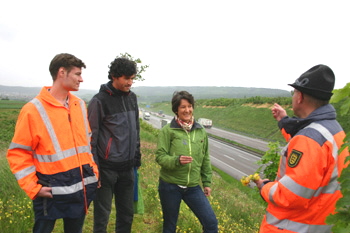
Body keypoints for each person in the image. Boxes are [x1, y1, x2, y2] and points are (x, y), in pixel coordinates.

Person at [6, 53, 99, 233]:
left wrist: (93, 171)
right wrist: (33, 188)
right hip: (49, 191)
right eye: (77, 74)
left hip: (79, 189)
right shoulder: (33, 110)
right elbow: (18, 153)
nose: (82, 79)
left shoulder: (79, 105)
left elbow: (86, 143)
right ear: (61, 72)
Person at [254, 64, 349, 233]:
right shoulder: (334, 130)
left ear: (300, 97)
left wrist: (264, 186)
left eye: (294, 93)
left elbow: (289, 196)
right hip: (321, 222)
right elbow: (310, 152)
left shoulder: (309, 140)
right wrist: (284, 121)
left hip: (293, 227)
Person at [88, 57, 141, 233]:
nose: (130, 83)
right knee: (102, 217)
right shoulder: (99, 100)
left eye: (132, 78)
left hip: (127, 169)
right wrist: (94, 168)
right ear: (114, 76)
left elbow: (136, 130)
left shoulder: (132, 98)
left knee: (126, 215)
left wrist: (136, 157)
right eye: (127, 78)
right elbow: (91, 138)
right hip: (106, 169)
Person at [155, 91, 218, 233]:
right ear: (176, 109)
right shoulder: (168, 130)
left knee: (211, 223)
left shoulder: (200, 131)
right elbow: (160, 157)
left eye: (190, 106)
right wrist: (176, 160)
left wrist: (207, 182)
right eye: (183, 107)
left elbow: (205, 157)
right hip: (170, 186)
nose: (187, 110)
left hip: (193, 187)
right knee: (170, 226)